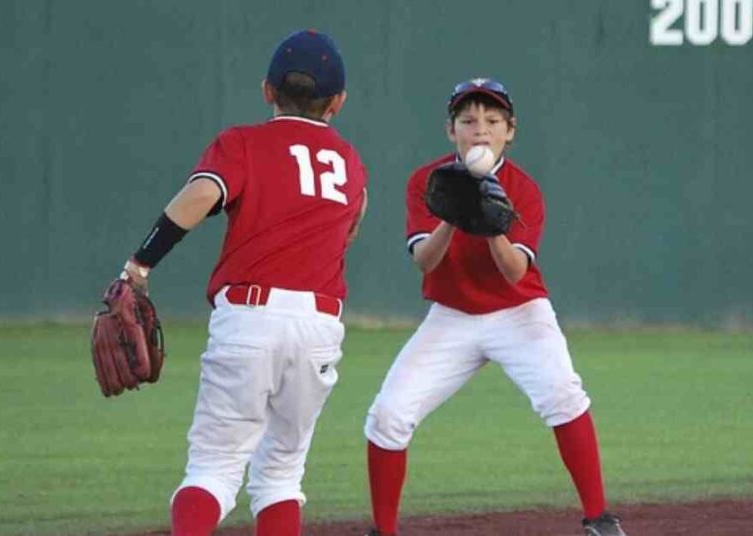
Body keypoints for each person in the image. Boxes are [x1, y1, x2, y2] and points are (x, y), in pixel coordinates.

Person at [114, 30, 368, 536]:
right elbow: (349, 230)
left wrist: (138, 268)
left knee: (213, 469)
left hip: (250, 317)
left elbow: (201, 195)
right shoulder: (351, 164)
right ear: (337, 102)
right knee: (280, 475)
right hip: (319, 324)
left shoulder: (243, 143)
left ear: (267, 90)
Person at [362, 78, 626, 536]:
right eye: (468, 121)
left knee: (563, 395)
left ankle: (599, 519)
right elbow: (424, 260)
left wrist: (492, 224)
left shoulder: (524, 190)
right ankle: (383, 530)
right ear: (451, 131)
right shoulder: (428, 181)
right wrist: (453, 213)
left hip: (519, 312)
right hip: (452, 316)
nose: (479, 130)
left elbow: (514, 273)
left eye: (492, 120)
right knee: (387, 416)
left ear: (510, 131)